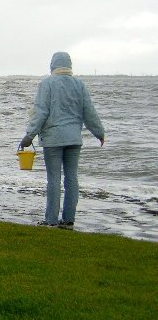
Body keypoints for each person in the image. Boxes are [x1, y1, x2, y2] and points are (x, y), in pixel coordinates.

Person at [20, 52, 105, 230]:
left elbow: (41, 112)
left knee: (54, 179)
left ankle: (51, 219)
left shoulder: (47, 83)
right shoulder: (79, 85)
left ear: (53, 65)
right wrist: (99, 132)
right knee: (71, 178)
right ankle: (68, 220)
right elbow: (88, 111)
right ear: (69, 65)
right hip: (74, 138)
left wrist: (29, 136)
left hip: (53, 139)